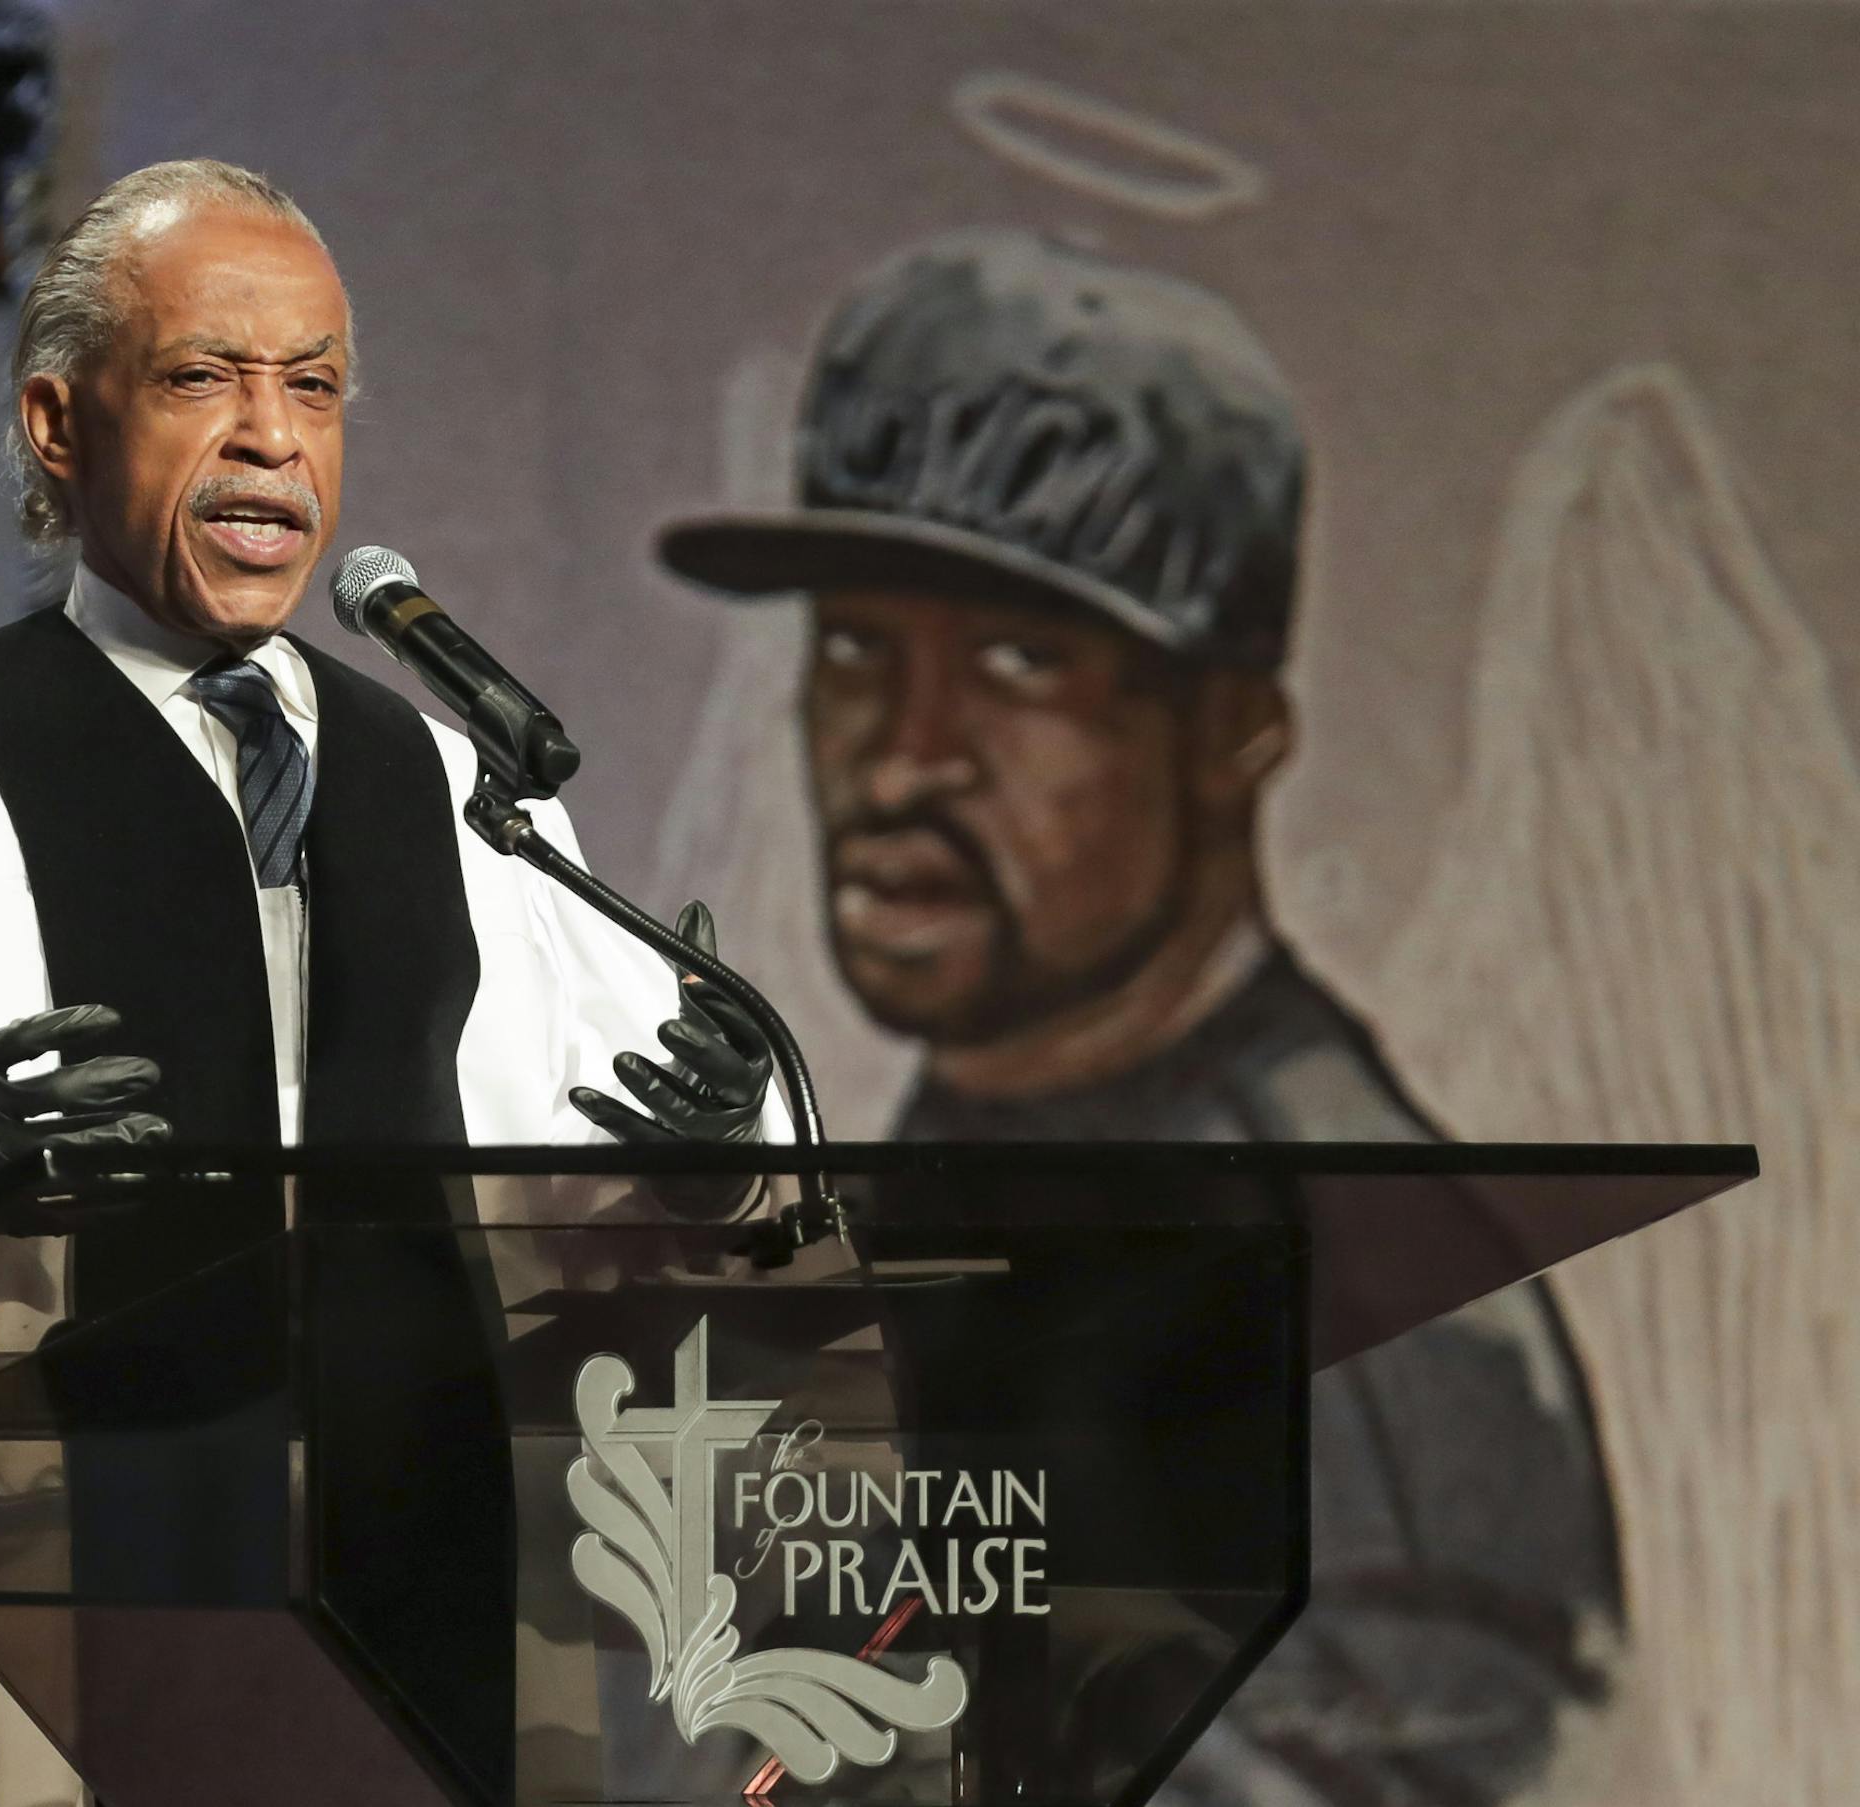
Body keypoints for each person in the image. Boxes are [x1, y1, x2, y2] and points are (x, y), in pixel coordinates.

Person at [0, 159, 778, 1807]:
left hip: (438, 1691)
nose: (273, 434)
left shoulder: (470, 801)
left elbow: (582, 1330)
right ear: (59, 423)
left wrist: (704, 1183)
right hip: (50, 1719)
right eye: (205, 375)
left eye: (316, 384)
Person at [659, 230, 1624, 1803]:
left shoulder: (1371, 1326)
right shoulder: (960, 1157)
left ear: (1234, 732)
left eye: (1022, 663)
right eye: (855, 648)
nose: (905, 757)